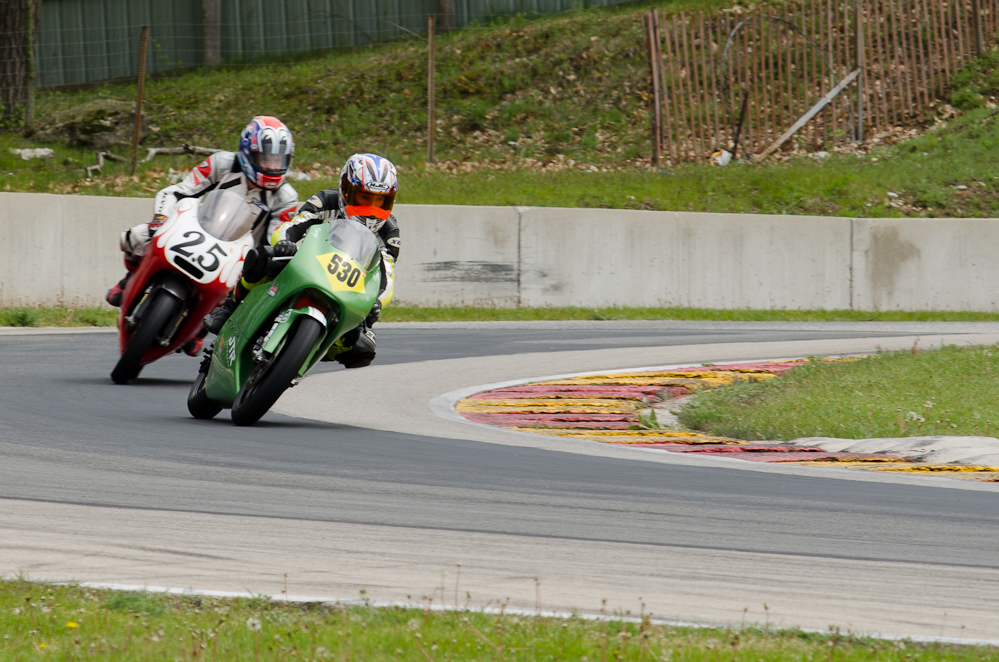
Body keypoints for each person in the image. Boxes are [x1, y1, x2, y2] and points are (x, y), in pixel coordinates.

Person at [105, 116, 299, 355]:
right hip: (195, 228)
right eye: (265, 159)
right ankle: (128, 281)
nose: (271, 166)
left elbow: (275, 237)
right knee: (137, 236)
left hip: (240, 253)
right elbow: (178, 192)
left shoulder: (286, 197)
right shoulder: (221, 163)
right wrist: (161, 219)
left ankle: (200, 328)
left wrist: (269, 257)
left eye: (278, 160)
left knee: (245, 291)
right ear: (248, 152)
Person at [203, 153, 400, 369]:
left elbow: (386, 276)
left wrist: (377, 301)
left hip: (348, 287)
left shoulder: (389, 232)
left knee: (364, 349)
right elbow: (291, 227)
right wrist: (284, 243)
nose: (370, 209)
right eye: (364, 198)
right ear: (346, 190)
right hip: (308, 264)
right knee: (262, 257)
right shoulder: (325, 201)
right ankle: (230, 307)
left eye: (379, 201)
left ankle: (315, 351)